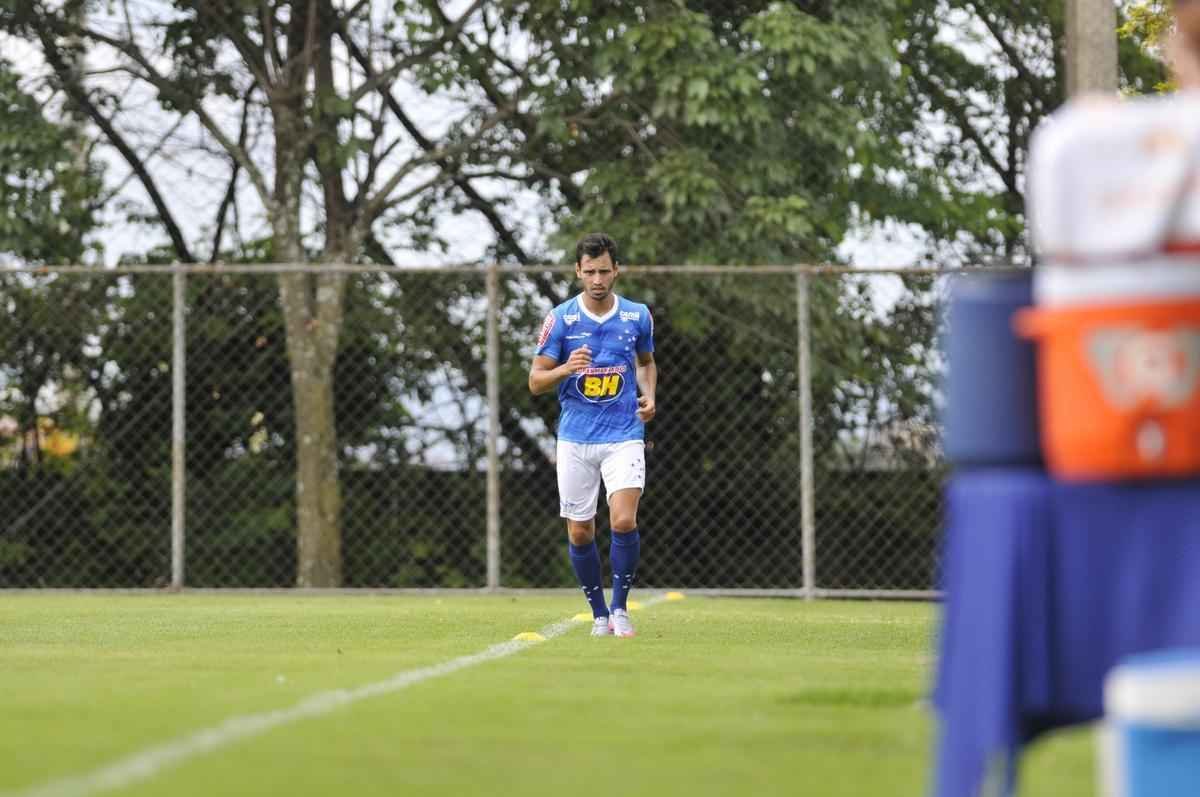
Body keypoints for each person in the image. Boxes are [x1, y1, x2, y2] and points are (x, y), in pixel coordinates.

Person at [528, 232, 657, 637]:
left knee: (622, 520)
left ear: (616, 271)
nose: (598, 279)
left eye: (604, 271)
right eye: (590, 272)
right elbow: (535, 381)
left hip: (624, 433)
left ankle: (620, 608)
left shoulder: (637, 315)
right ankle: (598, 612)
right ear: (578, 272)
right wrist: (566, 369)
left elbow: (646, 363)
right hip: (576, 438)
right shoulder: (561, 318)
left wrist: (649, 394)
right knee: (581, 529)